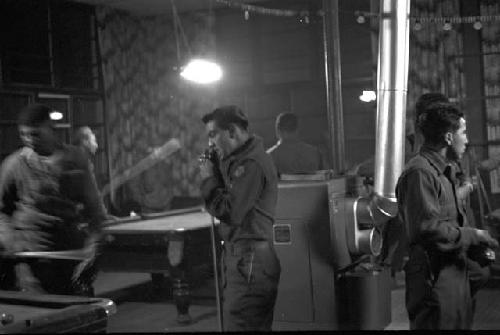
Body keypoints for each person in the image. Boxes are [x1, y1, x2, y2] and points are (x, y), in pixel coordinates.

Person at [396, 102, 499, 329]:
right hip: (435, 279)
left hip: (454, 273)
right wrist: (476, 235)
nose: (467, 139)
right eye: (464, 132)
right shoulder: (420, 173)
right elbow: (427, 229)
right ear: (449, 137)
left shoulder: (444, 171)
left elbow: (452, 221)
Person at [0, 104, 106, 296]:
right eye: (24, 135)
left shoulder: (76, 158)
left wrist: (95, 240)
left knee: (81, 308)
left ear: (50, 128)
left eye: (35, 134)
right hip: (32, 254)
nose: (29, 140)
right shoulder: (14, 164)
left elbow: (95, 209)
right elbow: (1, 212)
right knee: (43, 312)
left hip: (72, 249)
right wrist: (9, 239)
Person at [199, 105, 280, 331]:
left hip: (249, 260)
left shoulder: (251, 164)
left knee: (241, 325)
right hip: (247, 258)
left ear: (232, 132)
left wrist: (208, 179)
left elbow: (230, 211)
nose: (210, 144)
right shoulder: (241, 162)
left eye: (213, 135)